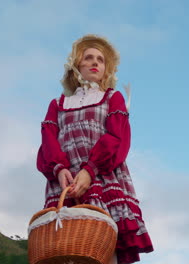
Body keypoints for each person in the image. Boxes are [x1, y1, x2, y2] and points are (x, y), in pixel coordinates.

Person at [37, 34, 153, 264]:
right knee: (66, 249)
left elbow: (116, 138)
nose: (95, 62)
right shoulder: (58, 104)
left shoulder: (112, 98)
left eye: (100, 60)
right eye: (88, 57)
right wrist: (59, 169)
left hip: (102, 179)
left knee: (103, 249)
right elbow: (48, 141)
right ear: (76, 65)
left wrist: (90, 170)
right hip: (65, 184)